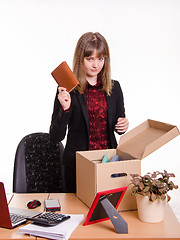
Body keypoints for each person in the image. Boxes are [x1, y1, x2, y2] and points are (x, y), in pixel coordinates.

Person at [49, 32, 129, 193]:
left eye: (100, 58)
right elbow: (55, 137)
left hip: (108, 164)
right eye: (90, 59)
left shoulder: (115, 88)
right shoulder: (68, 89)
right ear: (80, 59)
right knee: (80, 214)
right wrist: (65, 109)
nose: (96, 65)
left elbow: (119, 125)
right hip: (78, 166)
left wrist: (123, 125)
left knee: (107, 212)